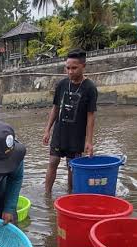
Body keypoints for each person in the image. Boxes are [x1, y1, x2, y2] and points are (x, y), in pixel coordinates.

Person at [42, 48, 98, 194]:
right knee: (52, 162)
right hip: (60, 133)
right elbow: (55, 108)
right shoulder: (61, 85)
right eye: (68, 68)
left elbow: (91, 116)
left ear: (83, 66)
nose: (70, 71)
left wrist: (89, 141)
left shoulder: (90, 88)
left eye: (74, 68)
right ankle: (47, 194)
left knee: (71, 166)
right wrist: (47, 130)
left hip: (76, 136)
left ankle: (70, 194)